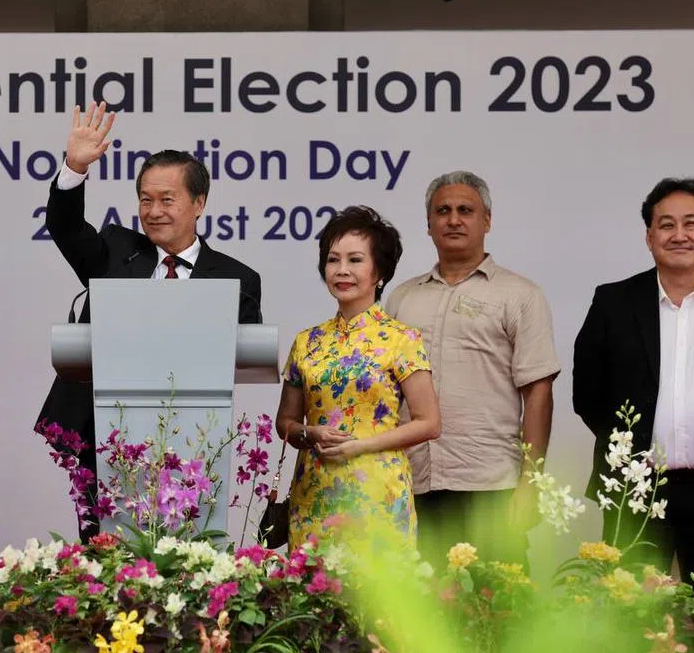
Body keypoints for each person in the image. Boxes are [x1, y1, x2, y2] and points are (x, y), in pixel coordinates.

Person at [37, 101, 263, 542]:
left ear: (198, 203)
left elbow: (246, 356)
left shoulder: (238, 278)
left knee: (189, 568)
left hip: (195, 445)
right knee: (104, 560)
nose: (153, 210)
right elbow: (64, 228)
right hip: (106, 440)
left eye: (167, 199)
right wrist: (74, 168)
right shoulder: (114, 252)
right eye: (145, 199)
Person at [573, 178, 694, 588]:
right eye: (666, 225)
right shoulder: (614, 302)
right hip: (637, 489)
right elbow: (588, 392)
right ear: (649, 237)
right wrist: (629, 443)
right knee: (631, 623)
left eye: (691, 224)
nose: (679, 235)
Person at [383, 171, 560, 567]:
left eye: (466, 210)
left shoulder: (520, 295)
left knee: (498, 616)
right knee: (420, 615)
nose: (453, 219)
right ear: (428, 224)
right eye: (442, 211)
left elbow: (538, 394)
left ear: (488, 221)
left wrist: (531, 484)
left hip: (490, 484)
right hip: (414, 483)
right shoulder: (401, 299)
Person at [275, 206, 440, 548]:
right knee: (310, 597)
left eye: (355, 260)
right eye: (333, 260)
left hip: (378, 493)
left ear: (379, 271)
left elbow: (429, 423)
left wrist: (360, 446)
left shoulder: (401, 339)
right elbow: (286, 422)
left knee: (379, 599)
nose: (342, 271)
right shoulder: (307, 341)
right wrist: (309, 432)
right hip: (314, 494)